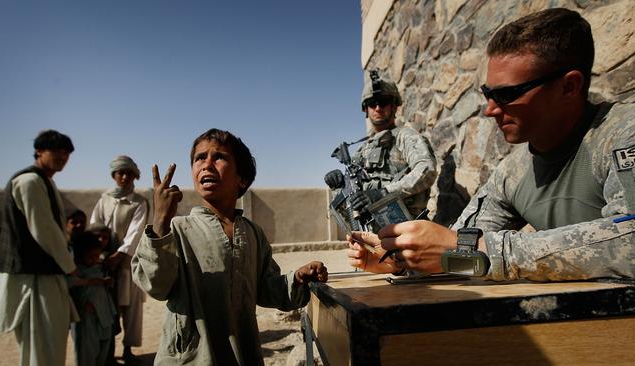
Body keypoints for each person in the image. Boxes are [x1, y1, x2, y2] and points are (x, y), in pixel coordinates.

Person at [347, 8, 635, 282]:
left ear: (569, 87)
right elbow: (462, 253)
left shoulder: (623, 134)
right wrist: (400, 260)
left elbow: (629, 244)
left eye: (508, 93)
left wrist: (488, 251)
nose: (490, 109)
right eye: (488, 93)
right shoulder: (512, 173)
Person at [132, 128, 328, 365]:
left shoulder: (253, 234)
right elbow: (156, 286)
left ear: (241, 179)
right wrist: (161, 221)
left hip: (243, 355)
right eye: (199, 158)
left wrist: (297, 278)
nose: (206, 164)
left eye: (219, 157)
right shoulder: (177, 230)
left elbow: (266, 289)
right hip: (192, 358)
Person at [0, 129, 78, 366]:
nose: (62, 156)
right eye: (56, 150)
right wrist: (71, 267)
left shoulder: (44, 181)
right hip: (33, 276)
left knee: (46, 342)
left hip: (44, 273)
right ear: (39, 152)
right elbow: (45, 231)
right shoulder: (30, 182)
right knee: (42, 342)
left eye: (66, 152)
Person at [324, 70, 437, 219]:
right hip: (371, 235)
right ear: (366, 109)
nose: (378, 108)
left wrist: (383, 194)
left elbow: (426, 170)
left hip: (406, 230)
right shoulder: (361, 151)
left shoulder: (405, 136)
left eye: (383, 102)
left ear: (394, 106)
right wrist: (339, 187)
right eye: (372, 103)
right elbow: (349, 209)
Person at [90, 155, 148, 364]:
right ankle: (108, 351)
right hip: (104, 263)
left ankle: (128, 350)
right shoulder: (104, 199)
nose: (124, 177)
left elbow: (136, 231)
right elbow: (95, 224)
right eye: (120, 173)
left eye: (128, 173)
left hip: (128, 264)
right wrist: (100, 252)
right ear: (114, 175)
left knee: (131, 309)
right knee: (107, 308)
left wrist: (121, 254)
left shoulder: (139, 202)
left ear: (134, 176)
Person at [68, 231, 116, 366]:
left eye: (97, 256)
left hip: (104, 314)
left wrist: (107, 282)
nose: (95, 260)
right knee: (87, 351)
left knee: (103, 347)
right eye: (90, 257)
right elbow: (70, 284)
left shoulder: (99, 268)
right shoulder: (75, 271)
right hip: (86, 317)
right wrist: (91, 282)